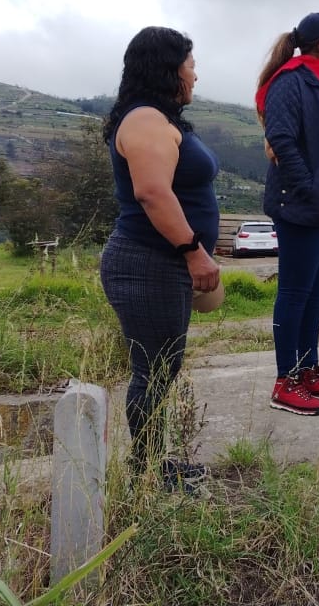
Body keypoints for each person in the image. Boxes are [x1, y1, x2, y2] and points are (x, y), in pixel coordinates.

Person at [99, 26, 220, 489]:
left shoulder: (155, 118)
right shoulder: (145, 119)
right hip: (147, 262)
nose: (195, 73)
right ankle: (147, 473)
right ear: (168, 69)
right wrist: (194, 252)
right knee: (153, 368)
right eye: (190, 64)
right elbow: (152, 192)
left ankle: (152, 462)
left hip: (160, 263)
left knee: (162, 366)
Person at [256, 12, 319, 415]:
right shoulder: (291, 81)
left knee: (314, 293)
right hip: (302, 208)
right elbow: (281, 138)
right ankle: (285, 380)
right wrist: (309, 188)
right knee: (295, 293)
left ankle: (308, 371)